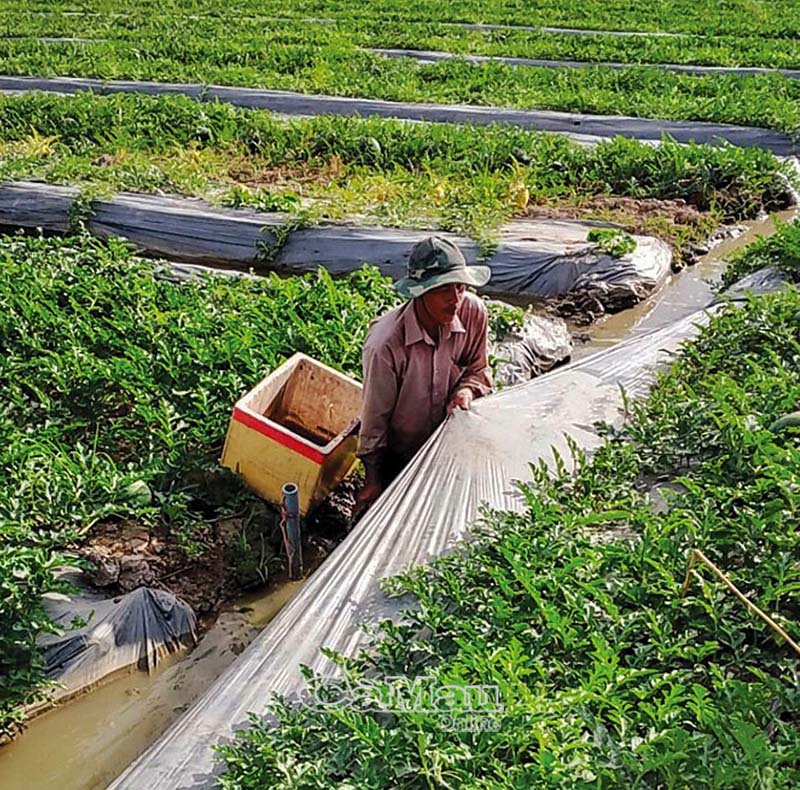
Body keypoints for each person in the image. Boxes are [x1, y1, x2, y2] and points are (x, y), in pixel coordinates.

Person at [354, 236, 493, 515]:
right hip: (402, 454)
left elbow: (479, 370)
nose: (455, 299)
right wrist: (372, 478)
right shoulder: (386, 345)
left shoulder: (473, 313)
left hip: (451, 444)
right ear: (420, 291)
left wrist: (466, 391)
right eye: (444, 290)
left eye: (460, 287)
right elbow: (375, 418)